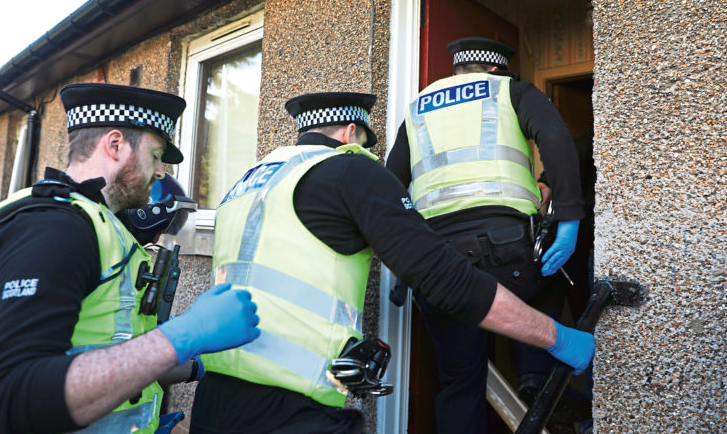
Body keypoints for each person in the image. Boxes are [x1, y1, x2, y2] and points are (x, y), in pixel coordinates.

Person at [190, 91, 594, 434]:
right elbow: (445, 278)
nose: (368, 153)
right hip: (291, 409)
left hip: (214, 399)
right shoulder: (350, 170)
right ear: (350, 133)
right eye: (366, 143)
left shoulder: (249, 181)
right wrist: (556, 336)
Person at [0, 83, 261, 434]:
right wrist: (183, 336)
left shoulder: (102, 224)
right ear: (116, 145)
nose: (161, 172)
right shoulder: (56, 227)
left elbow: (103, 351)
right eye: (155, 156)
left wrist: (195, 364)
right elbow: (12, 394)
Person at [385, 37, 585, 433]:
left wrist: (404, 261)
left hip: (435, 260)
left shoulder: (419, 107)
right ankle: (536, 375)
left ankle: (530, 377)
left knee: (459, 382)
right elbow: (556, 136)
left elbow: (390, 185)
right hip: (506, 247)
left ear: (459, 69)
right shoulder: (509, 89)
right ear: (496, 69)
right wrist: (568, 218)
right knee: (548, 277)